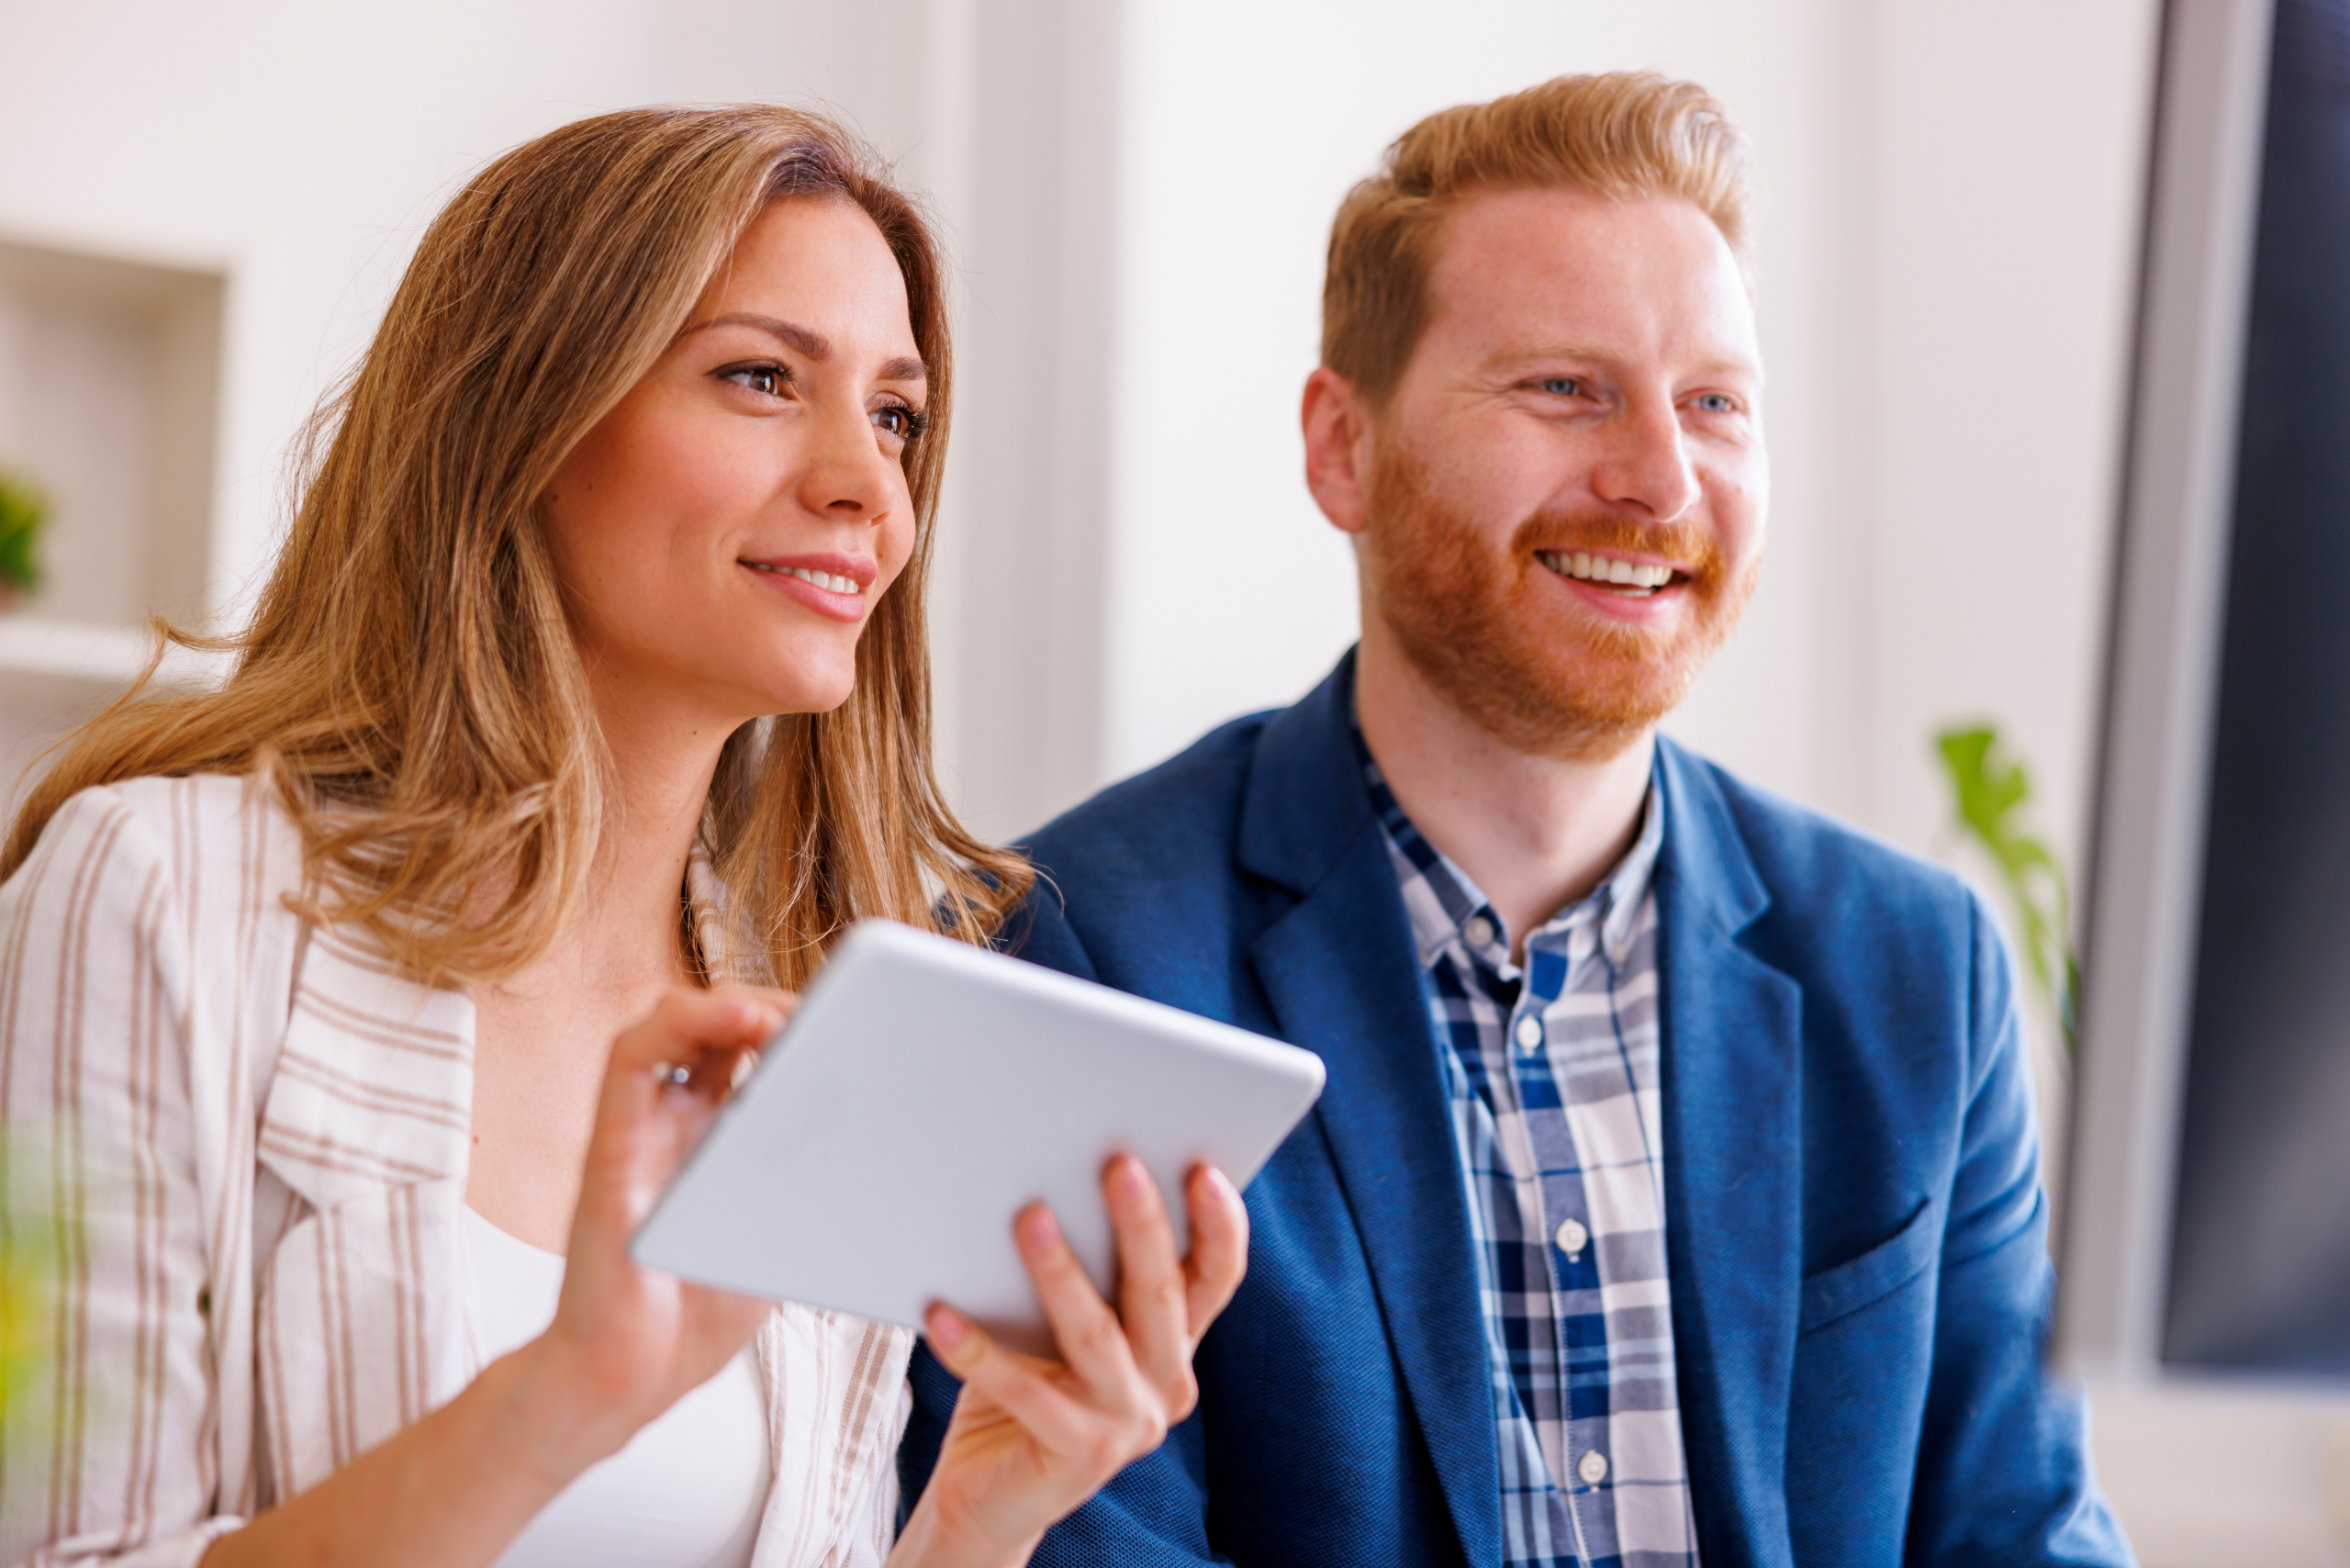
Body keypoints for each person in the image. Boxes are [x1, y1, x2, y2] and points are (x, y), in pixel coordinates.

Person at [901, 73, 2135, 1568]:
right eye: (1565, 387)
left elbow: (2021, 1533)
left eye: (1715, 404)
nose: (1660, 479)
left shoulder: (1914, 968)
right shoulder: (1078, 952)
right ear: (1342, 448)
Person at [0, 105, 1246, 1568]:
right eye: (763, 377)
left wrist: (977, 1517)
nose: (870, 488)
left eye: (896, 415)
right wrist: (566, 1394)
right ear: (521, 417)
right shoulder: (154, 893)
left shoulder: (830, 996)